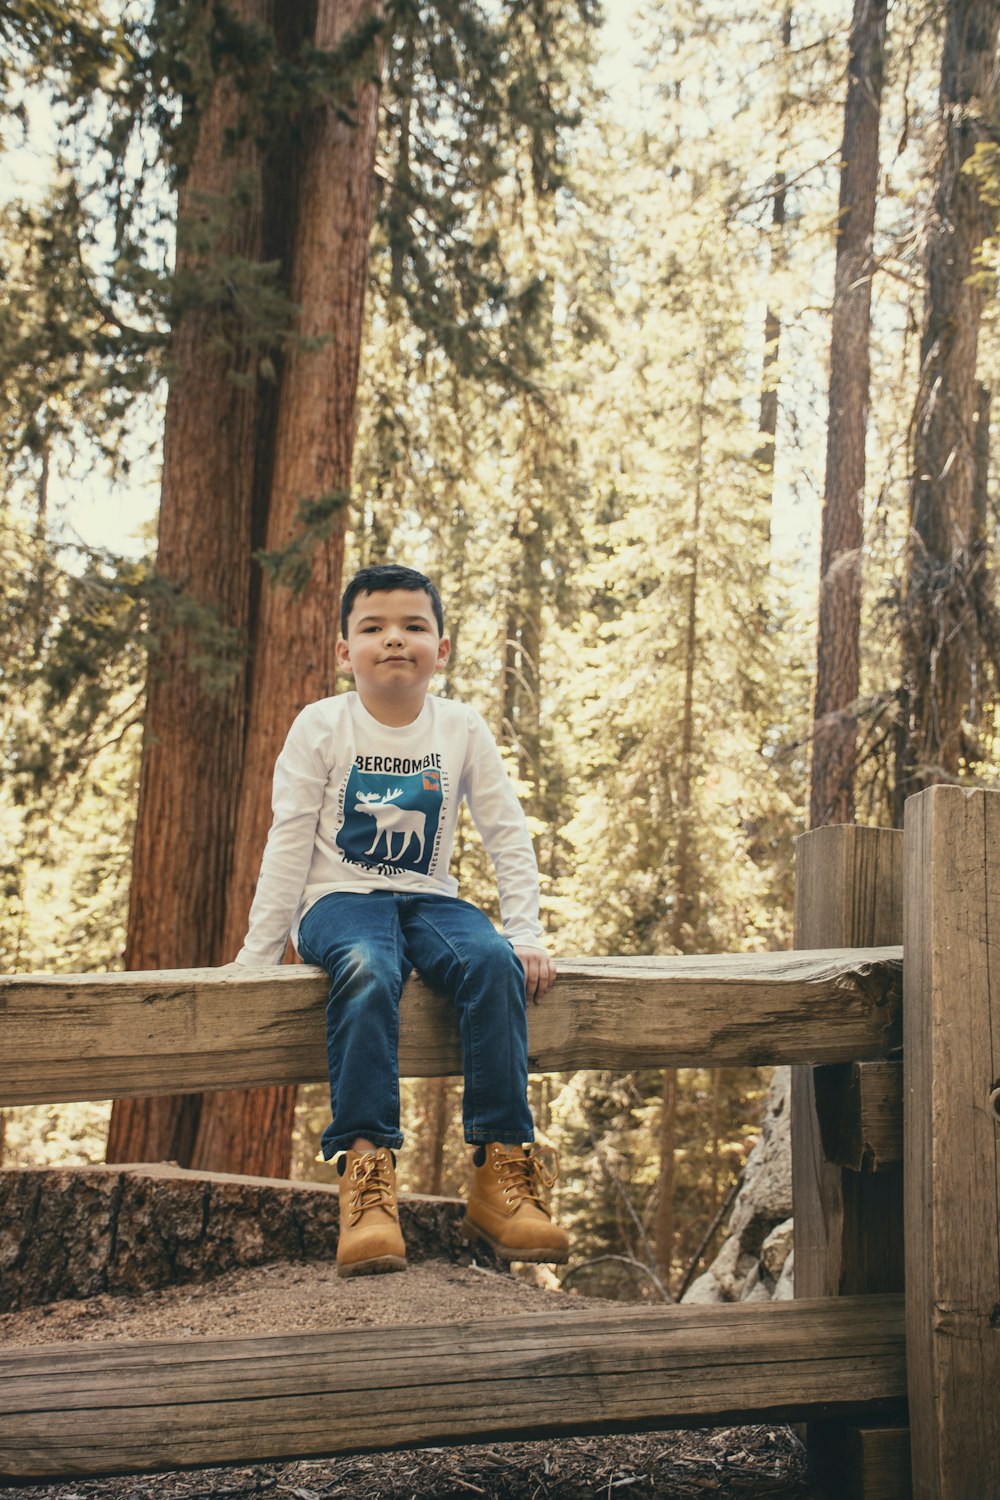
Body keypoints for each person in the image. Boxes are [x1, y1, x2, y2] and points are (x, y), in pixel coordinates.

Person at [232, 562, 569, 1277]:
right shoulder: (322, 725)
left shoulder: (460, 728)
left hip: (432, 900)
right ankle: (367, 1175)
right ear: (344, 649)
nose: (394, 640)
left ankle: (501, 1170)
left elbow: (506, 832)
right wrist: (257, 957)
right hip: (336, 903)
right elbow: (288, 839)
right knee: (367, 968)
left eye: (414, 627)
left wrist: (527, 934)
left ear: (440, 649)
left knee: (490, 962)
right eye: (373, 627)